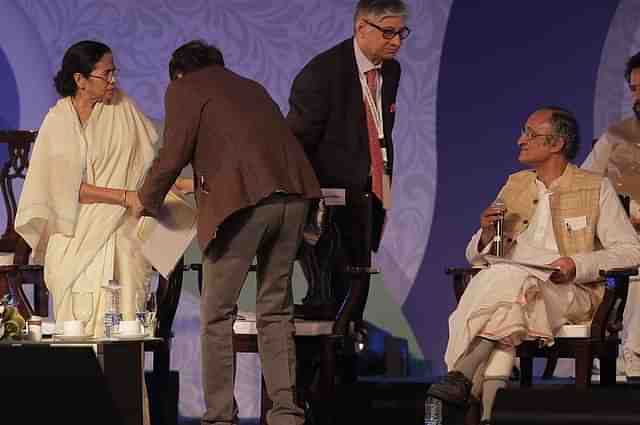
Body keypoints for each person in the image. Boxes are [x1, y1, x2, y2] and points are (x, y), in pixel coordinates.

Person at [129, 40, 321, 425]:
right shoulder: (250, 86)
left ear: (179, 73)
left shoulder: (184, 88)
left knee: (217, 313)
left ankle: (219, 417)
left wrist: (144, 200)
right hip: (295, 198)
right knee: (276, 311)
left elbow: (173, 153)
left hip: (243, 207)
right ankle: (286, 415)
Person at [427, 107, 640, 424]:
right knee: (509, 291)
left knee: (502, 279)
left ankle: (460, 377)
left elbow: (631, 251)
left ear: (556, 144)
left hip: (569, 290)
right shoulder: (515, 185)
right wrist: (486, 232)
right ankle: (485, 414)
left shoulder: (596, 188)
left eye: (529, 133)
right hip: (516, 288)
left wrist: (577, 264)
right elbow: (475, 253)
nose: (519, 140)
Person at [14, 40, 158, 337]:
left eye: (114, 72)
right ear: (80, 80)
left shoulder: (123, 107)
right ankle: (80, 380)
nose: (113, 80)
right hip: (74, 229)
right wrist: (122, 196)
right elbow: (64, 189)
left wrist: (179, 185)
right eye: (106, 74)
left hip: (120, 225)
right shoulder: (57, 121)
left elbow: (147, 165)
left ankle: (124, 379)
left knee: (126, 263)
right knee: (76, 305)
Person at [286, 0, 409, 333]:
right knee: (330, 290)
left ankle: (348, 366)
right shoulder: (321, 74)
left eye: (401, 33)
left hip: (371, 187)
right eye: (388, 32)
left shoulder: (392, 70)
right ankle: (321, 374)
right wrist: (311, 197)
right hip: (328, 192)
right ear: (361, 28)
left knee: (359, 279)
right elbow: (296, 144)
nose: (396, 41)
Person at [582, 51, 640, 377]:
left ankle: (633, 357)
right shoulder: (616, 136)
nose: (638, 96)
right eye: (633, 88)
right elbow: (582, 187)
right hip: (621, 237)